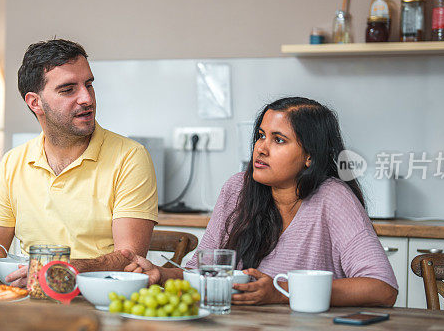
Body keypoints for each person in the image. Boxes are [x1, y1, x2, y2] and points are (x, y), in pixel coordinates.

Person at [125, 97, 398, 307]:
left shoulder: (332, 197)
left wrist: (282, 292)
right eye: (260, 135)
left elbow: (381, 288)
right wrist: (160, 274)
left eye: (279, 140)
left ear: (310, 157)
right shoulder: (237, 189)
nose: (261, 148)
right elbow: (201, 275)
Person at [0, 39, 158, 282]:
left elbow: (131, 261)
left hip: (99, 303)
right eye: (68, 90)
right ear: (35, 102)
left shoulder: (130, 156)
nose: (86, 98)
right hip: (32, 299)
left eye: (89, 84)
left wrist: (57, 269)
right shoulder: (12, 162)